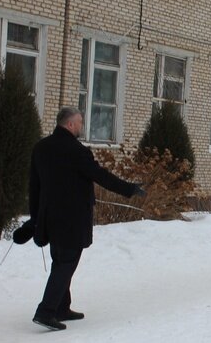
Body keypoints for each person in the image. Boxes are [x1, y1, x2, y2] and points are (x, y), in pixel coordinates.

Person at [21, 107, 146, 331]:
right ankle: (46, 311)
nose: (81, 126)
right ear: (70, 124)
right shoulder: (76, 151)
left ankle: (61, 307)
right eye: (79, 122)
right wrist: (130, 189)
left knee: (60, 261)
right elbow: (101, 176)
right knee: (66, 264)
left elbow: (34, 187)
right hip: (72, 220)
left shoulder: (41, 148)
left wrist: (35, 219)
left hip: (50, 218)